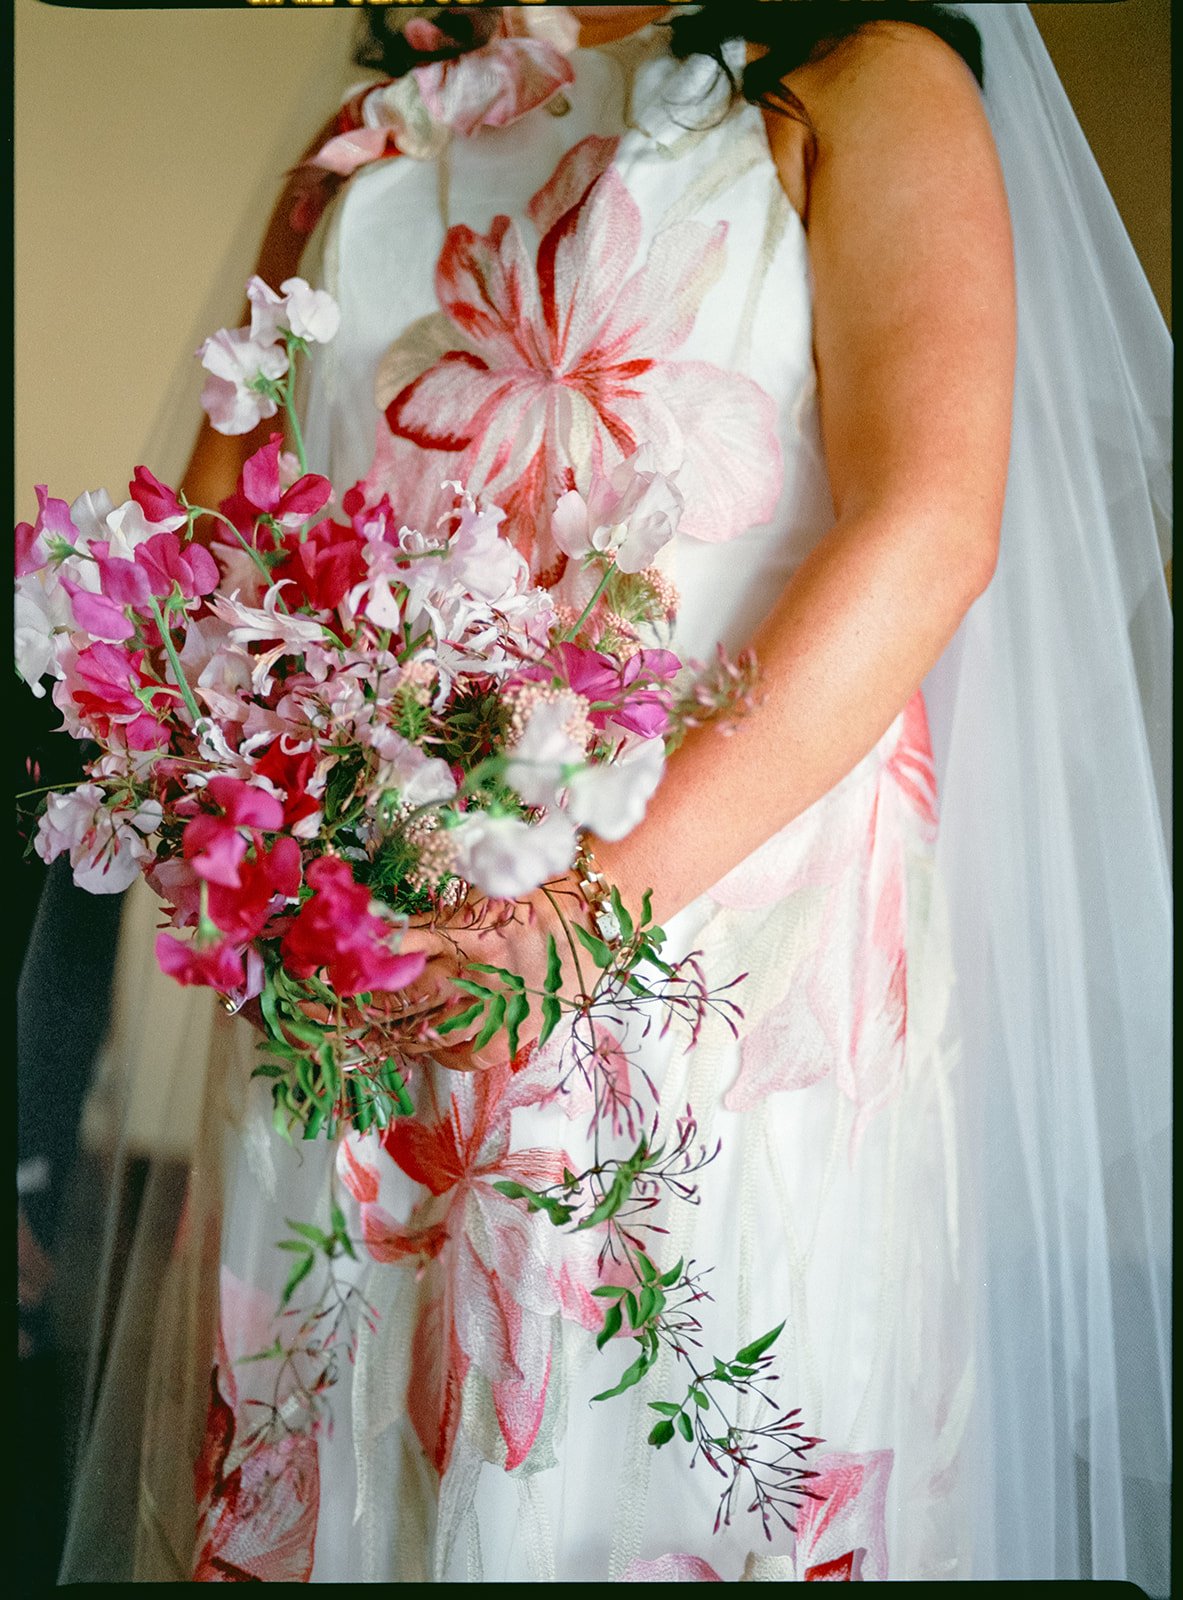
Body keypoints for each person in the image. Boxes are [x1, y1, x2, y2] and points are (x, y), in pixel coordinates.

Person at [52, 3, 1170, 1587]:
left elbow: (929, 525)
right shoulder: (386, 130)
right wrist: (281, 846)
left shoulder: (866, 85)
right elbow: (228, 525)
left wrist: (578, 919)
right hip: (369, 977)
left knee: (642, 1488)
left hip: (697, 984)